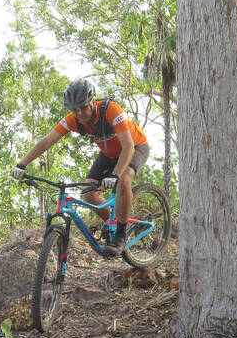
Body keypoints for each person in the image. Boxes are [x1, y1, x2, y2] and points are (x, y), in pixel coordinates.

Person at [11, 78, 149, 257]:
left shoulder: (112, 110)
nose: (79, 113)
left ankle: (121, 234)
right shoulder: (73, 120)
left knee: (123, 180)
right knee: (89, 194)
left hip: (135, 147)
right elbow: (46, 141)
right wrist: (22, 163)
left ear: (92, 102)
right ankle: (112, 225)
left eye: (82, 107)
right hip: (109, 154)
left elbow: (128, 146)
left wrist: (115, 175)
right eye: (74, 110)